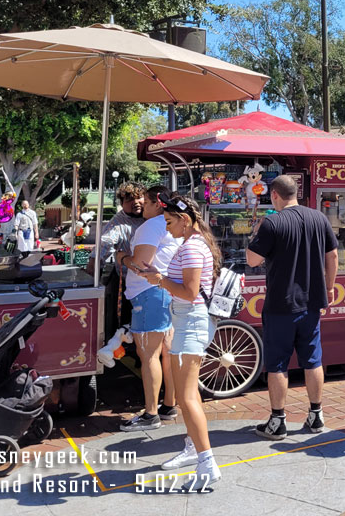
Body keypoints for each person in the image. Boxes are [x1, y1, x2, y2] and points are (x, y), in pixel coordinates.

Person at [246, 175, 339, 441]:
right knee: (313, 359)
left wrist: (256, 231)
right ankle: (316, 414)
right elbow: (332, 255)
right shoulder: (318, 218)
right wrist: (329, 287)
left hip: (280, 304)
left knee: (277, 363)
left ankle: (278, 420)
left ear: (275, 195)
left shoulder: (272, 222)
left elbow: (252, 260)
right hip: (311, 302)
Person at [141, 193, 221, 484]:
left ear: (185, 220)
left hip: (191, 321)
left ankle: (207, 463)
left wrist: (159, 279)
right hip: (188, 320)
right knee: (190, 395)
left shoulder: (191, 248)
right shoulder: (195, 244)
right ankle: (194, 448)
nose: (167, 228)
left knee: (186, 398)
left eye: (170, 221)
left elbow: (189, 291)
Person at [117, 185, 180, 431]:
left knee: (149, 354)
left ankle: (151, 413)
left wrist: (122, 257)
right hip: (165, 291)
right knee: (167, 351)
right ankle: (168, 404)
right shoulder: (170, 224)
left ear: (157, 203)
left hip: (148, 294)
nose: (141, 205)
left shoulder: (151, 227)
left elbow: (141, 264)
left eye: (145, 200)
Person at [100, 184, 147, 334]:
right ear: (122, 204)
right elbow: (104, 245)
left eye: (139, 197)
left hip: (155, 283)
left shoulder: (154, 216)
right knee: (128, 327)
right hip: (128, 284)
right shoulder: (118, 222)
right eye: (129, 199)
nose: (136, 202)